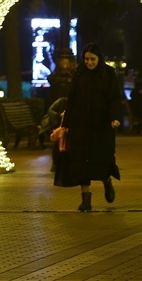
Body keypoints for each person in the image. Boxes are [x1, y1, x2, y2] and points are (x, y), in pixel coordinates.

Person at [54, 43, 123, 212]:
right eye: (86, 59)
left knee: (102, 159)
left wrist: (114, 117)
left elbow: (114, 97)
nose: (89, 62)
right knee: (81, 163)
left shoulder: (108, 73)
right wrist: (66, 124)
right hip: (80, 125)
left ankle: (107, 181)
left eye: (92, 59)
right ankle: (86, 200)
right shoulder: (80, 73)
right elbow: (72, 98)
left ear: (99, 59)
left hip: (101, 125)